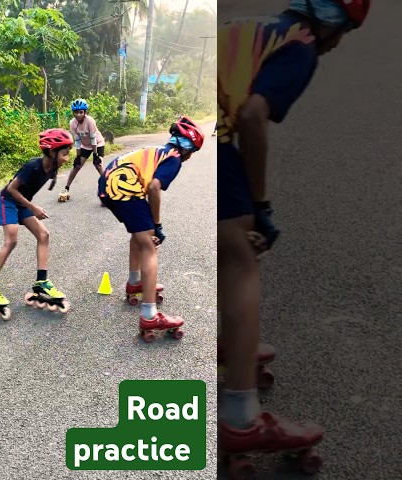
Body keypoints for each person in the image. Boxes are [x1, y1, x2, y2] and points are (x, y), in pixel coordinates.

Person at [217, 0, 370, 472]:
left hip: (201, 135)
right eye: (345, 31)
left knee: (233, 243)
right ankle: (241, 419)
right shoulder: (301, 48)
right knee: (244, 255)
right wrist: (260, 206)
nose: (340, 43)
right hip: (219, 139)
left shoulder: (261, 27)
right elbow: (253, 117)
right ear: (333, 26)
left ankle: (232, 344)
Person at [98, 116, 204, 342]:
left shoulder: (161, 151)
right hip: (123, 186)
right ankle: (149, 315)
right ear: (186, 147)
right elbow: (154, 188)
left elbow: (147, 185)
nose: (191, 157)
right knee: (149, 245)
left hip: (110, 184)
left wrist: (150, 225)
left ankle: (135, 281)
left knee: (139, 235)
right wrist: (157, 225)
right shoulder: (174, 159)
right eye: (193, 151)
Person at [0, 128, 74, 318]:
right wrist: (34, 208)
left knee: (43, 235)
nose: (67, 158)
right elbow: (11, 189)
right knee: (11, 240)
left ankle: (41, 283)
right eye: (64, 154)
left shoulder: (53, 166)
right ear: (52, 153)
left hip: (22, 203)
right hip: (9, 201)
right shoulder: (32, 166)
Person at [59, 98, 106, 202]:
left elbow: (93, 139)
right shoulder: (72, 123)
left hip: (97, 143)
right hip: (85, 145)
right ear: (73, 113)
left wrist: (95, 155)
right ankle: (66, 188)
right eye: (76, 112)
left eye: (81, 112)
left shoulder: (90, 121)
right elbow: (77, 140)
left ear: (85, 112)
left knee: (98, 165)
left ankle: (107, 187)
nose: (78, 115)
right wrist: (78, 156)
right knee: (76, 166)